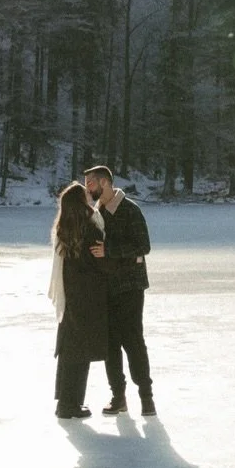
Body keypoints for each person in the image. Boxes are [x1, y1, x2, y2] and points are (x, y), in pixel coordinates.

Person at [83, 164, 155, 417]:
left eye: (90, 183)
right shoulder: (95, 212)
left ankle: (147, 398)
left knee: (133, 341)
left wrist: (110, 250)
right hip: (107, 287)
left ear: (104, 182)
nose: (87, 188)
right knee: (110, 344)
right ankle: (118, 397)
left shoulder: (130, 210)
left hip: (130, 287)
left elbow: (143, 246)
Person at [49, 181, 109, 420]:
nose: (90, 196)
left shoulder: (63, 229)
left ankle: (65, 401)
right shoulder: (90, 227)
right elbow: (98, 263)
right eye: (86, 195)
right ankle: (71, 404)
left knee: (69, 351)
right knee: (80, 352)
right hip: (88, 296)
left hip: (70, 294)